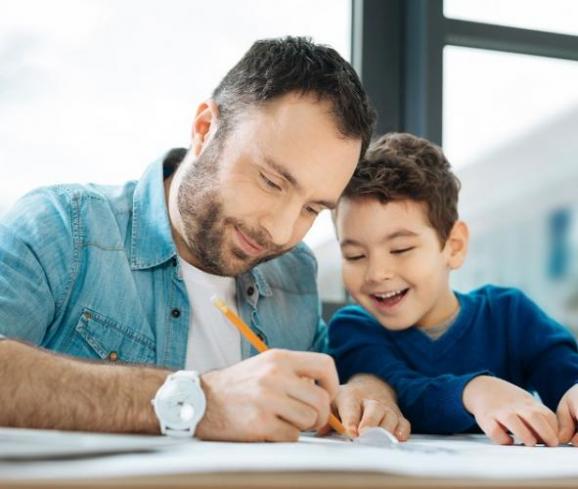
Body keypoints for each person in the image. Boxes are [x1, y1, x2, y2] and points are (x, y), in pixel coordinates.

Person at [0, 37, 410, 442]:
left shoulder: (294, 270)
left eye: (312, 209)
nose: (282, 232)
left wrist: (366, 388)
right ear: (204, 129)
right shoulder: (62, 229)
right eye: (270, 181)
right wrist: (200, 401)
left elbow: (332, 378)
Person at [329, 132, 578, 447]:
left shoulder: (510, 314)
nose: (377, 273)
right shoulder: (353, 329)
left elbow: (563, 371)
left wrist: (573, 392)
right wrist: (475, 391)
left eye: (401, 249)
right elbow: (403, 388)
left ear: (454, 246)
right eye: (355, 256)